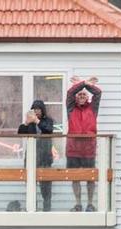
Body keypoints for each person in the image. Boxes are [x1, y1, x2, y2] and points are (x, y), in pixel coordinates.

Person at [65, 77, 102, 211]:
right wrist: (83, 84)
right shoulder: (70, 108)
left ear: (87, 98)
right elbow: (70, 93)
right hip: (73, 149)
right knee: (75, 177)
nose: (81, 96)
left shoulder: (93, 108)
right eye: (79, 94)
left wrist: (85, 85)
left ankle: (90, 204)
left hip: (88, 149)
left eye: (84, 94)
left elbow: (98, 93)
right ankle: (78, 203)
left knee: (90, 177)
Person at [18, 101, 56, 211]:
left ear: (42, 110)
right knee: (31, 187)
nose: (36, 111)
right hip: (31, 159)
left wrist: (37, 121)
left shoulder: (48, 121)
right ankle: (32, 210)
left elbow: (48, 130)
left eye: (38, 109)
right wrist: (26, 122)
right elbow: (20, 132)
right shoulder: (30, 123)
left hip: (45, 159)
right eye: (34, 109)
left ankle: (46, 211)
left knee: (46, 189)